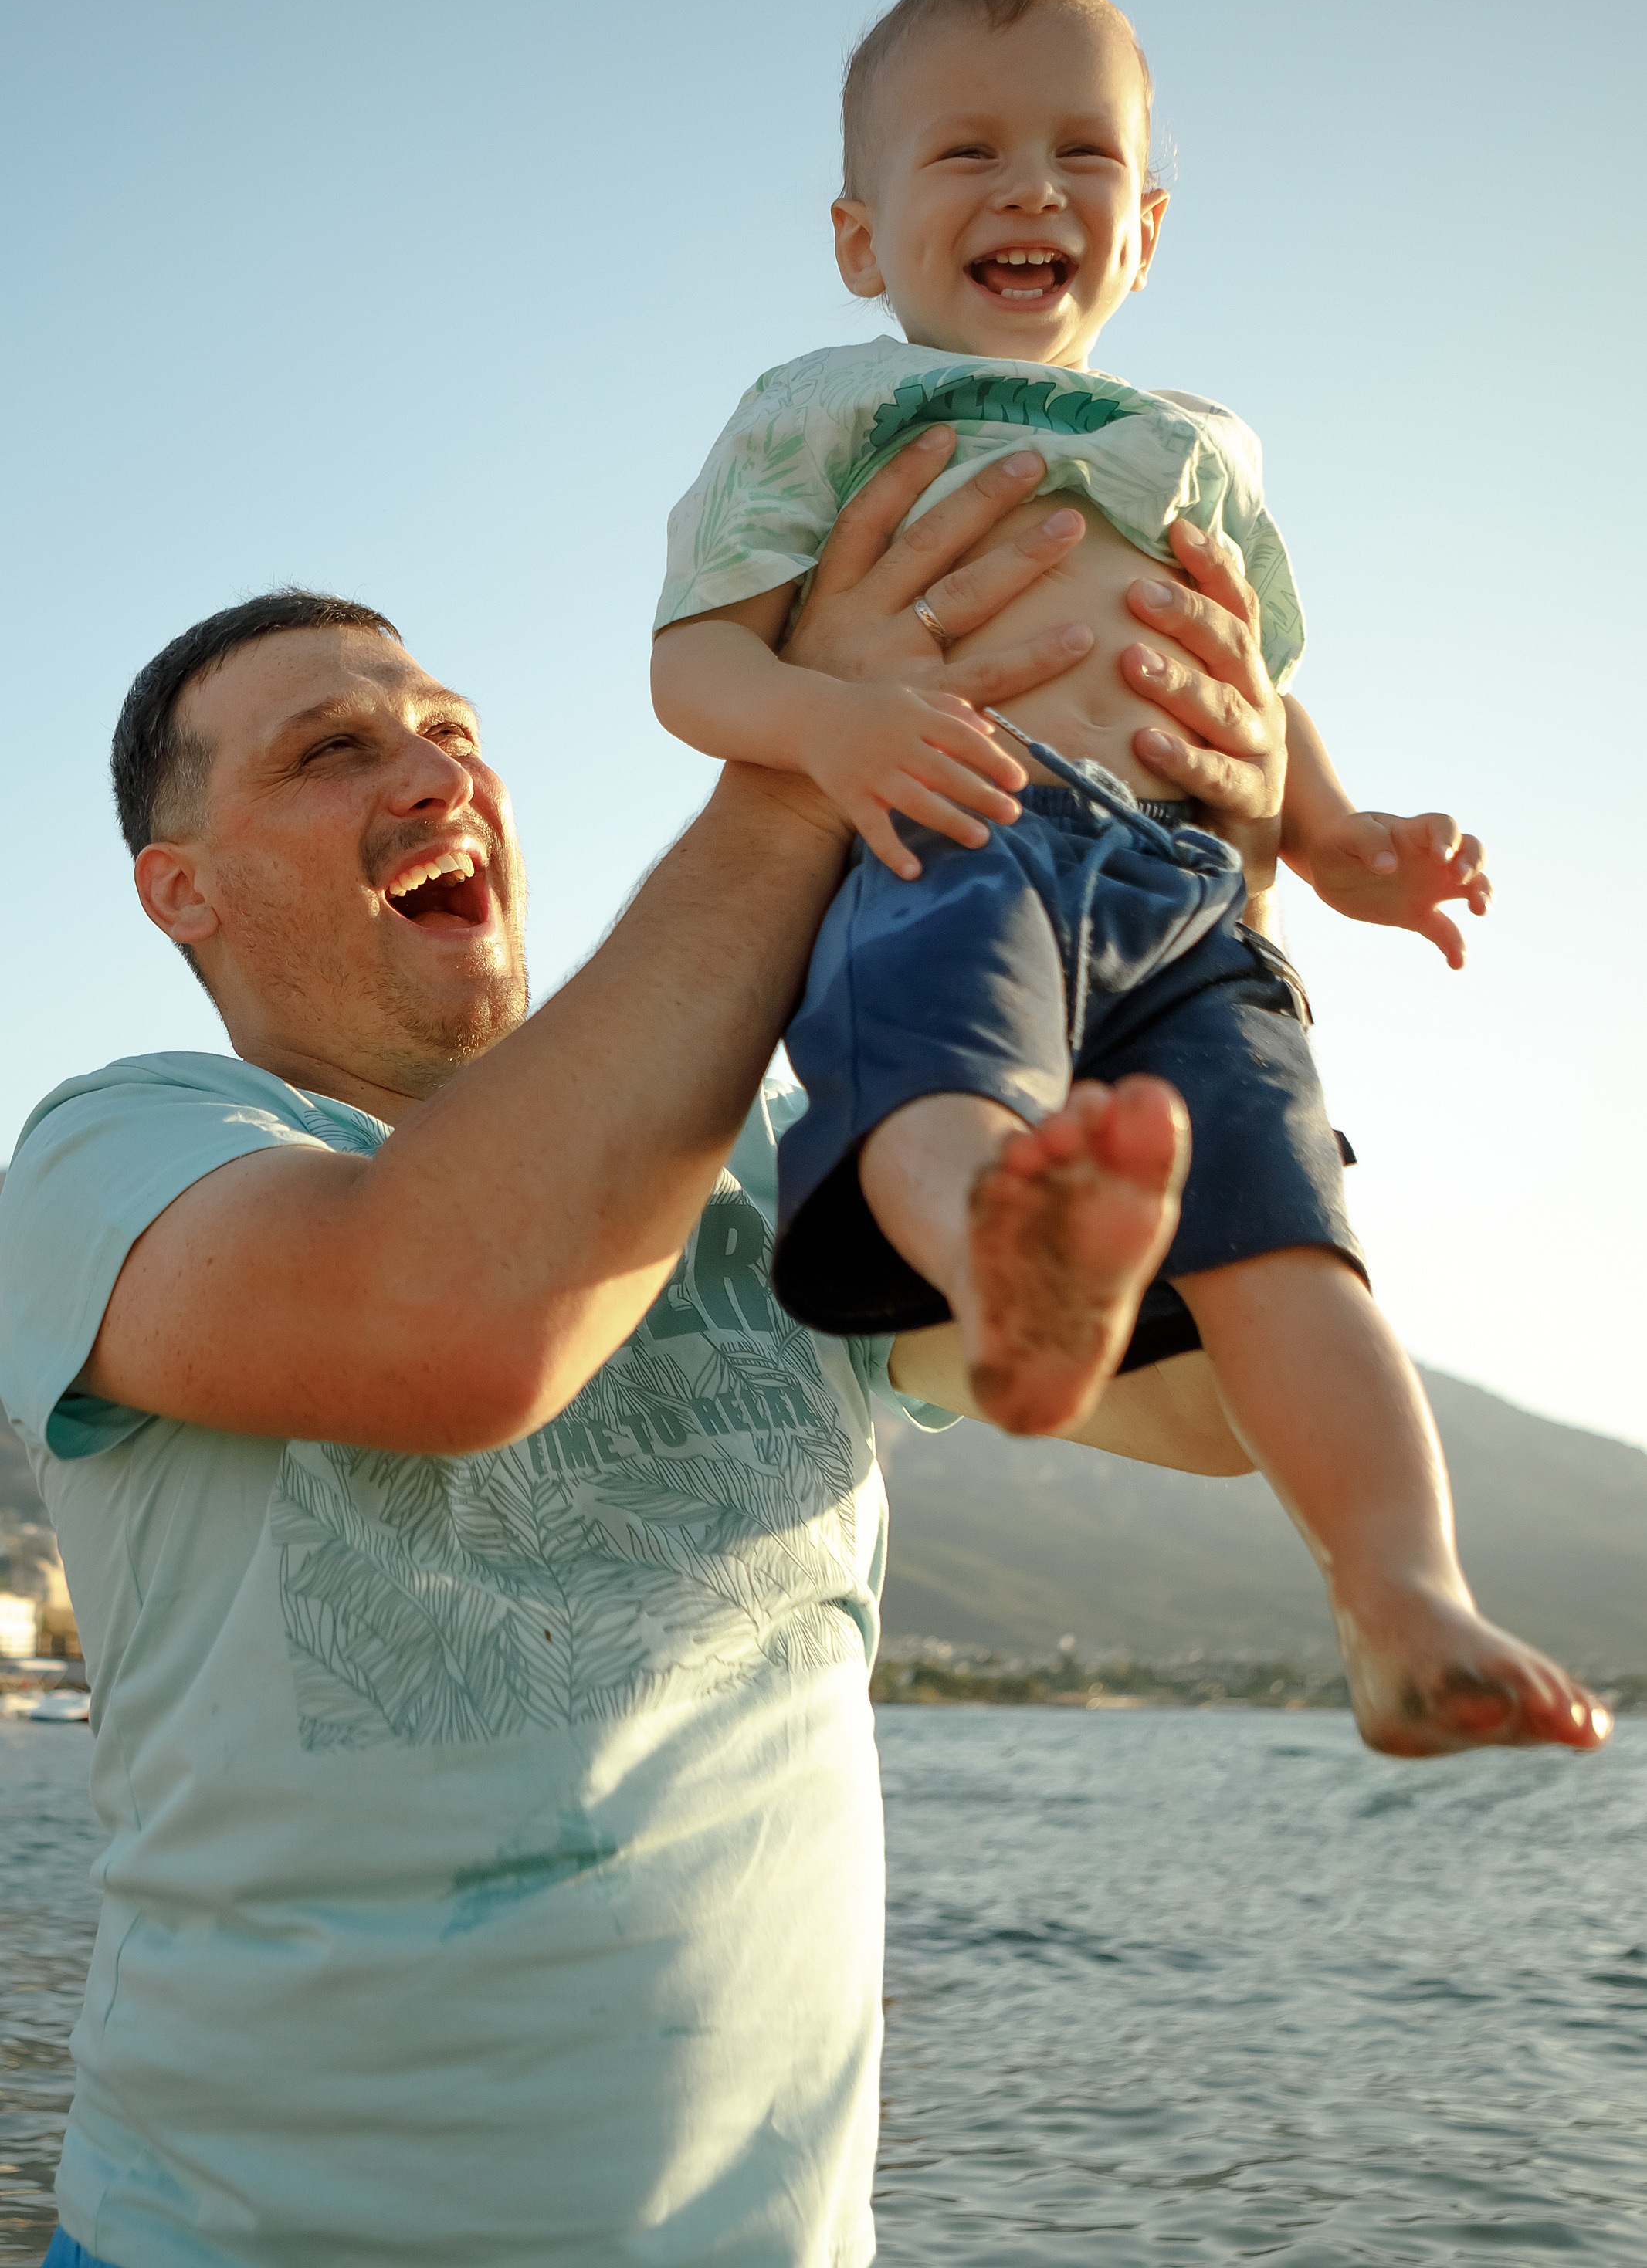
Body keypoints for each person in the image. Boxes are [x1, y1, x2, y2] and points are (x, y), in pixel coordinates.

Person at [0, 449, 1284, 2268]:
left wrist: (1200, 905)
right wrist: (794, 760)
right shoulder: (112, 1152)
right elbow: (453, 1323)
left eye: (447, 730)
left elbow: (1227, 1402)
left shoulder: (789, 1159)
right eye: (331, 750)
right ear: (179, 891)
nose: (435, 771)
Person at [651, 0, 1610, 1763]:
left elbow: (1246, 676)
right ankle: (1002, 1266)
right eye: (967, 156)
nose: (1030, 191)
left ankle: (1398, 1595)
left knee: (1291, 1239)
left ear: (1145, 225)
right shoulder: (825, 406)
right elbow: (693, 656)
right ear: (859, 239)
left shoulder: (1204, 448)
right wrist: (831, 725)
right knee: (938, 1067)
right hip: (958, 815)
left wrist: (1338, 843)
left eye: (1080, 155)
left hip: (1186, 901)